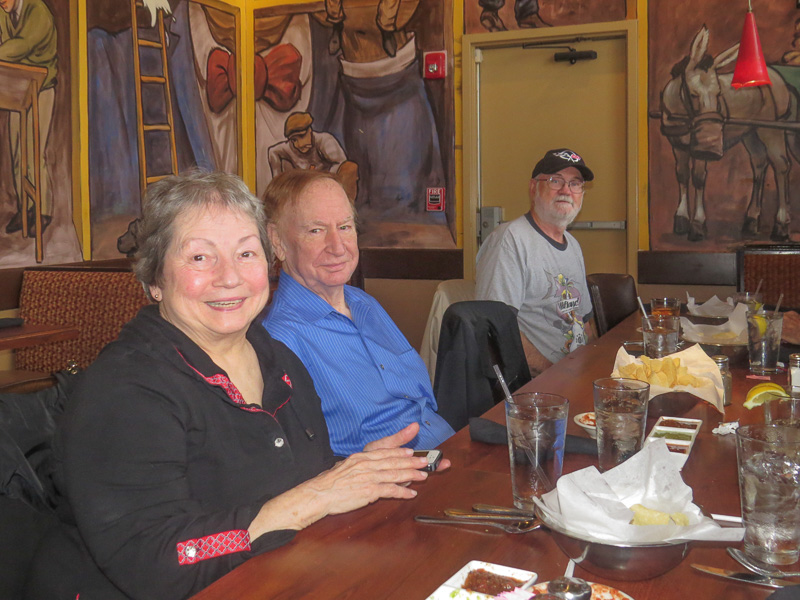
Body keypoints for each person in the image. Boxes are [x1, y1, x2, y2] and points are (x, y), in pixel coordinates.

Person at [25, 170, 446, 600]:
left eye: (246, 254)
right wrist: (313, 498)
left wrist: (346, 469)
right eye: (200, 258)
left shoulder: (279, 363)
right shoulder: (126, 392)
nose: (230, 277)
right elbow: (162, 559)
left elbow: (282, 479)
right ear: (155, 280)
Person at [262, 169, 455, 456]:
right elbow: (293, 462)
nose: (337, 247)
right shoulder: (279, 338)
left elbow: (421, 402)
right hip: (386, 486)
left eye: (345, 227)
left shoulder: (364, 304)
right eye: (316, 230)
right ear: (277, 241)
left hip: (447, 449)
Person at [476, 148, 595, 376]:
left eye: (575, 183)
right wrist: (552, 374)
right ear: (533, 188)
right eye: (555, 181)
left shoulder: (573, 245)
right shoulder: (509, 241)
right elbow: (497, 329)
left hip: (574, 370)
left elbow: (585, 324)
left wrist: (595, 365)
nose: (565, 190)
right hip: (535, 383)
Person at [0, 0, 57, 236]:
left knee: (33, 154)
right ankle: (26, 210)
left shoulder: (38, 10)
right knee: (17, 155)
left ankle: (42, 211)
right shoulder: (4, 13)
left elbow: (22, 45)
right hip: (18, 87)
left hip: (41, 88)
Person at [267, 111, 359, 201]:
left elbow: (342, 163)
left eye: (302, 136)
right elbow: (273, 152)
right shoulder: (288, 148)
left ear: (310, 131)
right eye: (294, 140)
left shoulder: (324, 140)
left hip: (328, 187)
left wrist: (321, 179)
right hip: (303, 189)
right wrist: (277, 181)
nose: (299, 144)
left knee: (350, 168)